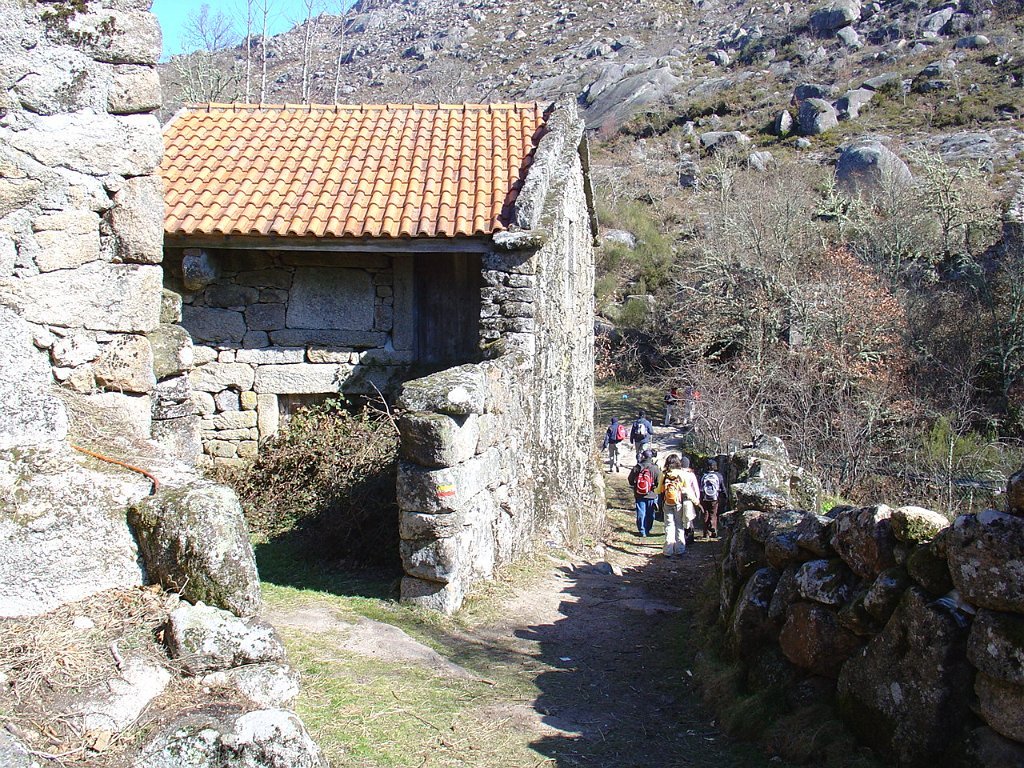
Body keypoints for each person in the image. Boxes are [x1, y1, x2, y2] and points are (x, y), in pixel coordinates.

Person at [658, 454, 700, 556]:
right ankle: (680, 549)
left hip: (667, 502)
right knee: (679, 525)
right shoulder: (682, 474)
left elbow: (659, 489)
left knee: (669, 526)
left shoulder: (664, 473)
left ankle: (668, 550)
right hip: (679, 503)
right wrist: (696, 501)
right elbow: (688, 490)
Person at [628, 449, 661, 538]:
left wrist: (636, 485)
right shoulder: (655, 468)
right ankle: (648, 529)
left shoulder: (637, 467)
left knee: (641, 512)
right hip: (651, 494)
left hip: (639, 494)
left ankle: (642, 530)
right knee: (650, 513)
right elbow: (659, 482)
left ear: (643, 456)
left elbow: (630, 480)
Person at [700, 458, 727, 538]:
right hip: (714, 498)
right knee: (713, 513)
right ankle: (713, 528)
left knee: (706, 513)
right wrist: (725, 496)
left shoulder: (704, 476)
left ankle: (706, 533)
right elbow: (722, 487)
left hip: (705, 498)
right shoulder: (718, 476)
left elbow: (700, 487)